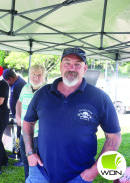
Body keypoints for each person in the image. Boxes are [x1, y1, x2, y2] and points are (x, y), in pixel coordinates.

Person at [23, 47, 121, 183]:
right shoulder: (42, 93)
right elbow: (28, 122)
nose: (72, 68)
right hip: (40, 172)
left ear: (84, 69)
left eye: (77, 64)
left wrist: (93, 171)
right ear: (61, 67)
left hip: (79, 176)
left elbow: (114, 137)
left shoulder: (99, 98)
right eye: (67, 63)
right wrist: (30, 153)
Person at [15, 64, 46, 180]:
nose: (36, 78)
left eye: (39, 75)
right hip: (24, 134)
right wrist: (18, 116)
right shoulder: (25, 88)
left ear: (44, 76)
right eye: (33, 74)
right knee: (26, 161)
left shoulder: (48, 90)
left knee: (39, 164)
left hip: (40, 135)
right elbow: (19, 102)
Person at [3, 69, 26, 166]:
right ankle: (17, 153)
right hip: (16, 115)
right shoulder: (14, 84)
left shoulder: (19, 84)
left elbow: (22, 101)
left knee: (22, 138)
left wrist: (19, 115)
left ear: (11, 78)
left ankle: (22, 159)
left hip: (21, 116)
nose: (7, 83)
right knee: (17, 136)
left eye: (7, 80)